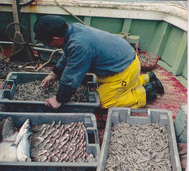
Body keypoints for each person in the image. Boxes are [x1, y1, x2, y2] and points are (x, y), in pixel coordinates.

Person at [33, 15, 164, 109]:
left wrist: (58, 99)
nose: (47, 45)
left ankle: (146, 93)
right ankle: (147, 78)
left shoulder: (79, 45)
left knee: (101, 102)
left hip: (125, 69)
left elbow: (70, 78)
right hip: (124, 61)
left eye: (47, 42)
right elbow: (68, 55)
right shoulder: (72, 29)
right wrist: (54, 74)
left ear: (56, 38)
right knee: (99, 83)